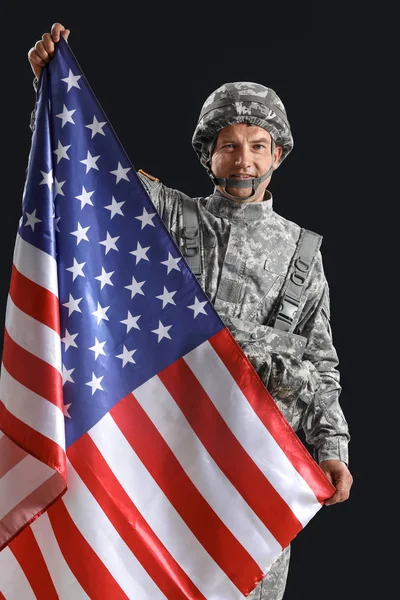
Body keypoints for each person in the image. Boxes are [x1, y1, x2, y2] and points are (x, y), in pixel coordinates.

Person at [27, 23, 353, 600]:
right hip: (173, 431)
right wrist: (49, 87)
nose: (244, 160)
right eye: (229, 145)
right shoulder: (174, 217)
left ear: (278, 153)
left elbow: (320, 361)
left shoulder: (303, 252)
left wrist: (332, 447)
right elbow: (88, 173)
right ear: (209, 154)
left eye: (258, 145)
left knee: (249, 580)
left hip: (259, 443)